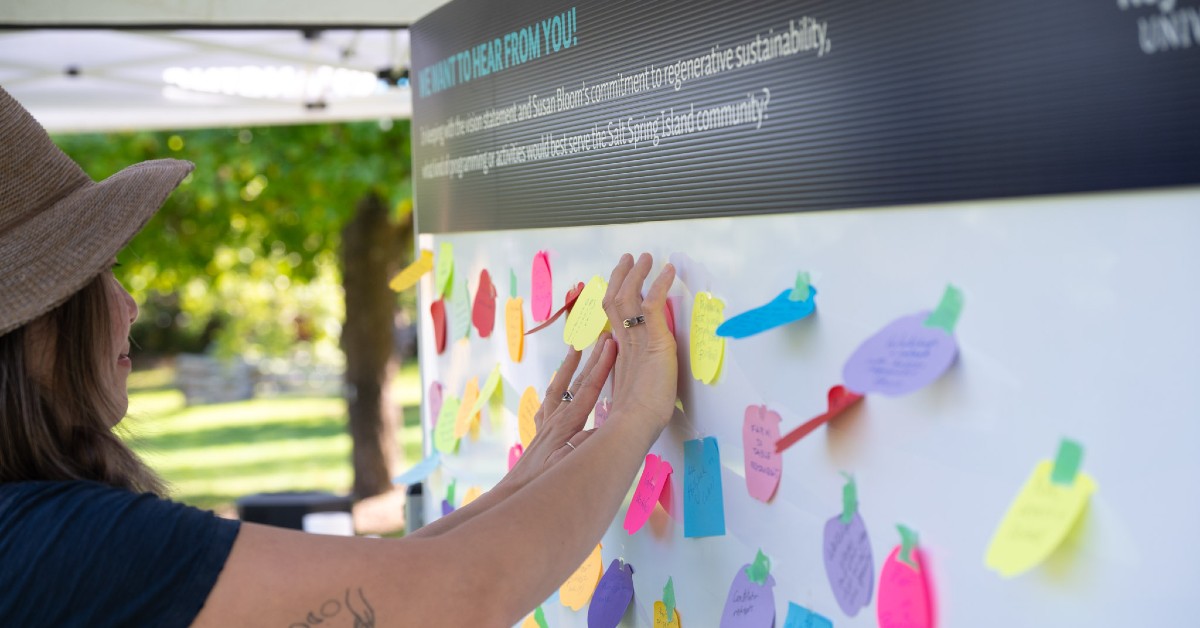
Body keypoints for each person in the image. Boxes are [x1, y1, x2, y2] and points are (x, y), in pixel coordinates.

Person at [0, 85, 679, 627]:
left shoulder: (33, 533)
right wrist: (639, 410)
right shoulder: (65, 542)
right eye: (101, 275)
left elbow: (368, 593)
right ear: (36, 326)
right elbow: (460, 598)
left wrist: (521, 484)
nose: (129, 304)